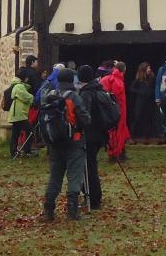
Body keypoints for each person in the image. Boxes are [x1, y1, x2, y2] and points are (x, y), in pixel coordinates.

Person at [42, 68, 91, 221]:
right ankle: (72, 210)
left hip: (54, 143)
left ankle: (48, 210)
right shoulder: (73, 97)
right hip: (74, 141)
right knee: (74, 176)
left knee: (55, 177)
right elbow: (84, 119)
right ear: (72, 80)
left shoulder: (50, 95)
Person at [76, 66, 106, 210]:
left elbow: (84, 116)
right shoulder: (99, 89)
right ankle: (94, 195)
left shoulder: (87, 93)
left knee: (88, 167)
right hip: (100, 134)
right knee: (91, 165)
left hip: (90, 135)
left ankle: (93, 198)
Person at [101, 61, 130, 161]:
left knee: (118, 132)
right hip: (118, 111)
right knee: (117, 132)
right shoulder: (118, 81)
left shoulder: (112, 79)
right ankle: (116, 154)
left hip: (116, 111)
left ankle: (120, 152)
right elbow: (117, 99)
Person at [9, 68, 35, 159]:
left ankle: (14, 152)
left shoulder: (17, 85)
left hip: (17, 113)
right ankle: (26, 151)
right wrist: (32, 97)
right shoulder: (19, 86)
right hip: (19, 113)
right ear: (25, 78)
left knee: (15, 133)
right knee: (30, 131)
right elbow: (25, 97)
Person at [129, 62, 157, 144]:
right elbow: (131, 88)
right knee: (137, 118)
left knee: (148, 119)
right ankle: (132, 137)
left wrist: (151, 93)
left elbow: (155, 87)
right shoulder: (139, 79)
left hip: (149, 101)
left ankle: (147, 138)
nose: (149, 69)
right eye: (148, 68)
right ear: (144, 69)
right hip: (140, 101)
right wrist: (140, 92)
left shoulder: (152, 77)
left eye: (149, 68)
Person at [154, 52, 166, 145]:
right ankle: (163, 136)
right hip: (162, 98)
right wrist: (157, 97)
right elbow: (158, 84)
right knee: (162, 117)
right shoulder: (161, 70)